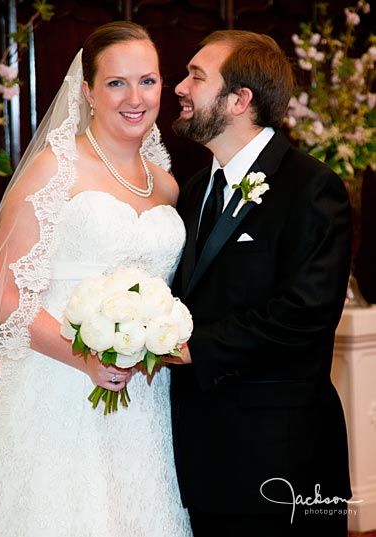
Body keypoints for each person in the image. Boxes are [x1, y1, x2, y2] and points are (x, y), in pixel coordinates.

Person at [0, 22, 192, 537]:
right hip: (61, 384)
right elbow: (1, 292)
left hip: (146, 395)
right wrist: (86, 358)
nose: (134, 97)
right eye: (116, 83)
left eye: (148, 81)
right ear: (89, 92)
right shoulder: (53, 169)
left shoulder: (165, 185)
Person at [167, 30, 352, 536]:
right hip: (201, 454)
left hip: (281, 457)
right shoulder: (196, 190)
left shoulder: (311, 188)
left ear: (238, 100)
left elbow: (304, 316)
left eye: (196, 77)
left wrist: (191, 349)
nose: (179, 88)